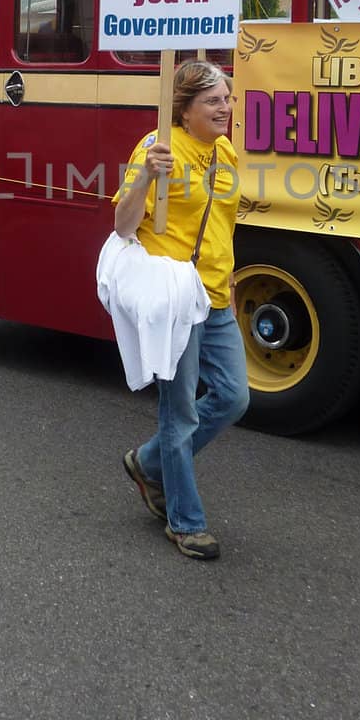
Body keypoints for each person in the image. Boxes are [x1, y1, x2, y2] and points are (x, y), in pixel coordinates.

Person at [114, 60, 248, 561]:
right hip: (175, 300)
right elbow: (123, 225)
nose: (225, 108)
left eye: (228, 99)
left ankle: (148, 463)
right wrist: (146, 178)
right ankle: (185, 522)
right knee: (181, 413)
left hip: (215, 296)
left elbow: (224, 224)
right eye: (214, 101)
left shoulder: (225, 152)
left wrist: (230, 281)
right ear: (185, 109)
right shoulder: (158, 148)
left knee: (234, 398)